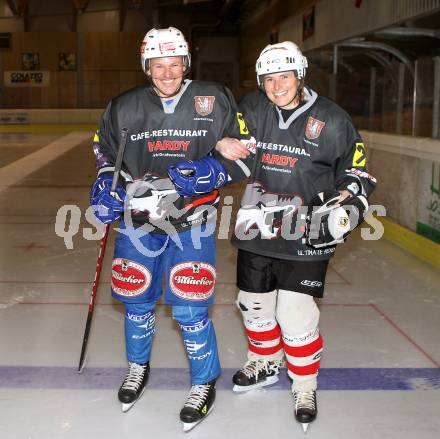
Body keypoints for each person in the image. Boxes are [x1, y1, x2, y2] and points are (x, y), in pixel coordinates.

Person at [169, 41, 377, 432]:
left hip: (308, 232)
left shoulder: (331, 119)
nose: (277, 86)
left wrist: (349, 201)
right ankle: (264, 362)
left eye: (284, 77)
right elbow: (214, 132)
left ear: (300, 76)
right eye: (269, 78)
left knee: (295, 314)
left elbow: (358, 171)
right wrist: (213, 149)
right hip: (257, 227)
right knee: (253, 305)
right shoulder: (251, 108)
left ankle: (304, 386)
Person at [90, 26, 251, 432]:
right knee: (137, 300)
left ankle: (203, 383)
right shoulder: (122, 106)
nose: (167, 73)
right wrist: (106, 185)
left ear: (186, 64)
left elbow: (249, 155)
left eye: (174, 64)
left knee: (191, 307)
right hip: (138, 223)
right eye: (158, 65)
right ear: (146, 67)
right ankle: (137, 367)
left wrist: (213, 169)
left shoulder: (215, 99)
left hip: (192, 222)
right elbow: (106, 153)